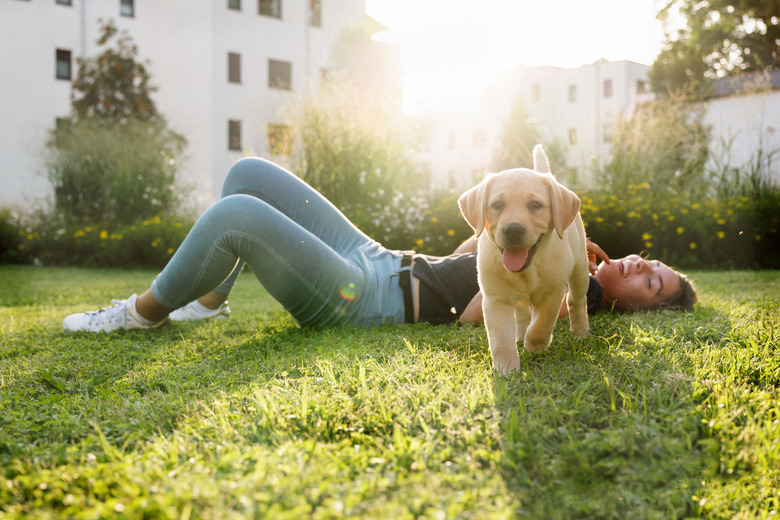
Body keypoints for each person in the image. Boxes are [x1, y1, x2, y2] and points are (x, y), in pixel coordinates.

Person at [62, 158, 697, 333]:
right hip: (379, 257)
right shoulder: (555, 247)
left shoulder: (561, 298)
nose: (645, 267)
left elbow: (480, 311)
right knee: (248, 174)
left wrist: (545, 280)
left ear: (637, 307)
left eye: (651, 285)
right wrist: (525, 231)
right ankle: (208, 299)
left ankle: (140, 314)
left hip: (364, 300)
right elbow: (465, 255)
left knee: (237, 214)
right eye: (655, 265)